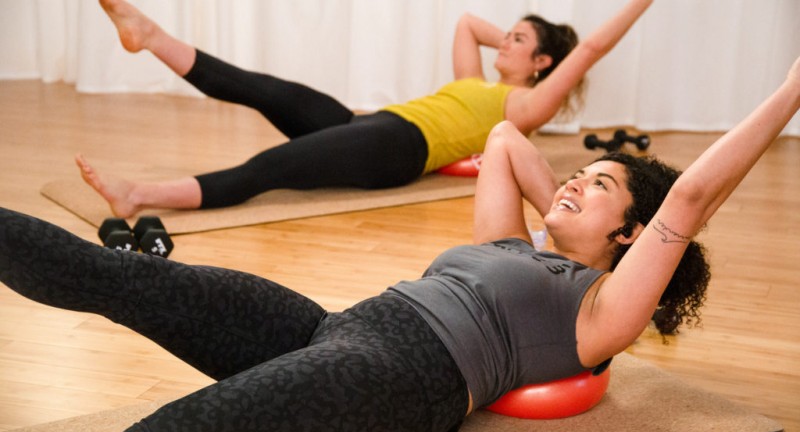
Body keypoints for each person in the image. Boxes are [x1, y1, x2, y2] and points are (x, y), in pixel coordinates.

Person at [3, 56, 798, 432]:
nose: (571, 184)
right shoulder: (508, 245)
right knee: (121, 276)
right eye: (578, 174)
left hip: (399, 378)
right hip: (335, 324)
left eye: (598, 188)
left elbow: (688, 200)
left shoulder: (599, 313)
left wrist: (791, 86)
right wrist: (569, 201)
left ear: (632, 235)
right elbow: (503, 136)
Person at [76, 0, 653, 218]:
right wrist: (521, 39)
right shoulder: (474, 80)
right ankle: (148, 35)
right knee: (263, 88)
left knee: (270, 168)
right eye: (509, 34)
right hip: (367, 125)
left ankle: (139, 196)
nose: (503, 41)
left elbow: (594, 47)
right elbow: (466, 22)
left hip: (396, 149)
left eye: (520, 42)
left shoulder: (528, 104)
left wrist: (546, 55)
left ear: (544, 63)